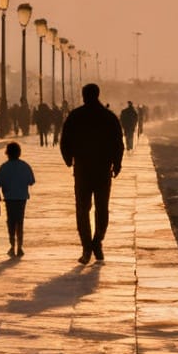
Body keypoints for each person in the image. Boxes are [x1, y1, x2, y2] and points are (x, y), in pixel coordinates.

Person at [61, 84, 125, 265]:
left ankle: (87, 247)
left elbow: (65, 140)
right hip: (103, 169)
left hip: (82, 169)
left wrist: (68, 159)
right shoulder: (109, 117)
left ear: (83, 95)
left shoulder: (75, 116)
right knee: (102, 208)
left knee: (83, 209)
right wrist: (117, 164)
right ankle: (97, 242)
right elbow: (118, 142)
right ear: (98, 94)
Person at [0, 141, 35, 257]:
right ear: (19, 153)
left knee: (11, 221)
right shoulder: (25, 166)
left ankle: (12, 245)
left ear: (7, 153)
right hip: (21, 197)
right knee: (20, 221)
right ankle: (20, 247)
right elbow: (31, 181)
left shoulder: (3, 167)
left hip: (9, 197)